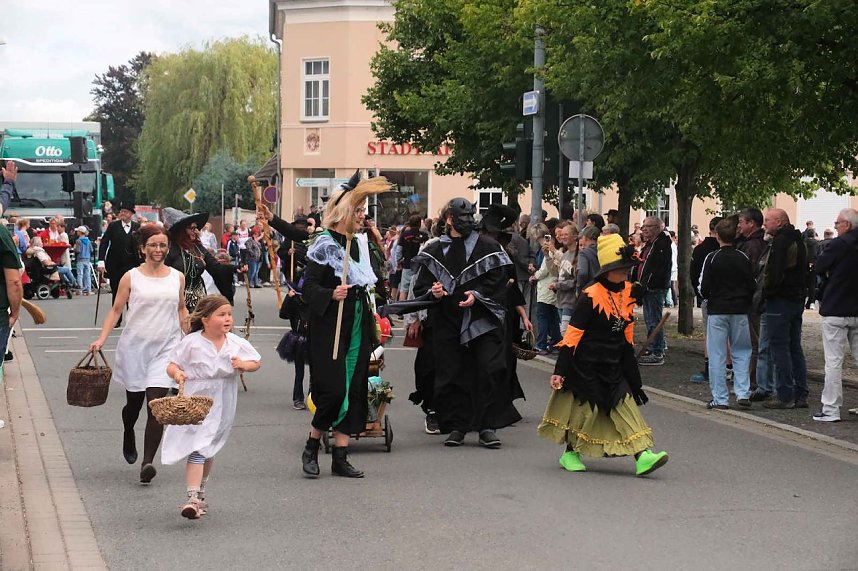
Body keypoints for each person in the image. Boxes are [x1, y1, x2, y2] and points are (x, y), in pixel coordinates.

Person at [537, 234, 669, 476]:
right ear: (607, 270)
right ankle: (570, 453)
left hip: (614, 363)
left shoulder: (629, 292)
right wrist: (560, 371)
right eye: (620, 268)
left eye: (627, 268)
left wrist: (631, 371)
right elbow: (573, 335)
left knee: (626, 406)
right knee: (584, 413)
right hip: (585, 365)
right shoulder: (590, 295)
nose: (625, 272)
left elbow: (626, 333)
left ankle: (643, 455)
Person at [410, 198, 513, 448]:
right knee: (452, 373)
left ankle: (487, 426)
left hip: (481, 319)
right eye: (462, 217)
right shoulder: (435, 249)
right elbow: (421, 286)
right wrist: (433, 291)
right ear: (449, 219)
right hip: (447, 320)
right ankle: (457, 425)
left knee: (488, 368)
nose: (467, 221)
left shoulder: (488, 246)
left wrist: (477, 295)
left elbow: (499, 281)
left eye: (470, 217)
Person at [89, 224, 188, 483]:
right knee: (133, 405)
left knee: (157, 406)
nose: (158, 249)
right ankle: (128, 429)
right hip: (135, 349)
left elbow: (181, 309)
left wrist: (190, 337)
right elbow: (116, 310)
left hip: (166, 349)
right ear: (142, 248)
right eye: (153, 245)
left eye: (163, 245)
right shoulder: (131, 277)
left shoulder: (177, 277)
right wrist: (101, 339)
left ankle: (147, 463)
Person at [300, 176, 382, 478]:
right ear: (343, 211)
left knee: (354, 387)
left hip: (357, 322)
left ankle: (340, 456)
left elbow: (371, 283)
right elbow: (308, 288)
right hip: (330, 326)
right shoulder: (324, 242)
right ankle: (311, 446)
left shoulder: (359, 243)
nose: (362, 216)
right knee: (334, 391)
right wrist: (331, 294)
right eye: (357, 210)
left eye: (363, 210)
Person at [161, 295, 261, 519]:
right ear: (205, 319)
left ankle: (200, 491)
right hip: (197, 399)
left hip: (223, 400)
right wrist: (177, 374)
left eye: (229, 315)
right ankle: (192, 498)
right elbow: (172, 364)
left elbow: (256, 361)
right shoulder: (192, 342)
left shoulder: (234, 342)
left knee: (209, 446)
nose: (227, 319)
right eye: (221, 315)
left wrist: (243, 365)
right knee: (199, 446)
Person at [699, 219, 756, 409]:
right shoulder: (742, 257)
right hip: (739, 309)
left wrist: (709, 297)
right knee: (742, 351)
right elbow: (752, 283)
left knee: (717, 354)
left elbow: (703, 286)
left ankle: (720, 398)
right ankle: (743, 392)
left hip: (717, 310)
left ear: (717, 235)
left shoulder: (712, 257)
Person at [811, 208, 858, 422]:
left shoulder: (839, 244)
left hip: (836, 307)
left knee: (833, 362)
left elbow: (819, 266)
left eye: (838, 223)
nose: (836, 226)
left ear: (847, 225)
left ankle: (831, 409)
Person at [760, 208, 808, 409]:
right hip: (796, 298)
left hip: (781, 300)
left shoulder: (781, 242)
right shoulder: (799, 240)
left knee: (779, 347)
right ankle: (800, 392)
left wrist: (768, 292)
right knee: (794, 346)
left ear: (779, 222)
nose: (764, 224)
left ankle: (785, 394)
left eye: (767, 220)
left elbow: (775, 272)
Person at [164, 210, 241, 311]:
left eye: (196, 228)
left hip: (197, 301)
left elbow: (215, 267)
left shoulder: (197, 248)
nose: (196, 231)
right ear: (181, 230)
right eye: (192, 228)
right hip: (174, 299)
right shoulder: (170, 249)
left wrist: (235, 268)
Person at [737, 208, 767, 389]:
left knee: (754, 341)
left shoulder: (752, 246)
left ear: (751, 223)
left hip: (752, 300)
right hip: (754, 298)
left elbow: (749, 273)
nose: (739, 226)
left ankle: (751, 380)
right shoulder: (757, 243)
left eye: (741, 222)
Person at [636, 216, 672, 366]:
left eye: (648, 226)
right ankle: (653, 347)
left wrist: (649, 283)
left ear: (657, 228)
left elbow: (657, 268)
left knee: (654, 320)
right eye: (643, 226)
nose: (644, 229)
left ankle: (657, 351)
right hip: (647, 287)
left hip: (654, 288)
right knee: (649, 320)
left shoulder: (661, 245)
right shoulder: (649, 244)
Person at [97, 202, 141, 317]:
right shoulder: (113, 226)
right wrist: (101, 260)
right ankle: (116, 318)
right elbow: (104, 242)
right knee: (116, 292)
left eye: (125, 212)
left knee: (132, 293)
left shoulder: (136, 227)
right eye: (121, 211)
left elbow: (141, 245)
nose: (122, 213)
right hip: (115, 264)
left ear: (131, 214)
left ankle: (131, 317)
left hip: (132, 265)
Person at [530, 231, 560, 355]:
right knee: (553, 318)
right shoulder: (555, 252)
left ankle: (541, 344)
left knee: (542, 317)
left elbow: (544, 270)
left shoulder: (550, 252)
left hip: (546, 288)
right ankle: (556, 342)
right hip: (552, 288)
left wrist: (534, 276)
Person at [549, 222, 578, 331]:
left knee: (566, 332)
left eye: (566, 234)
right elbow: (561, 274)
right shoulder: (565, 254)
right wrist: (555, 283)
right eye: (562, 235)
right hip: (560, 300)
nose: (562, 237)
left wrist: (558, 285)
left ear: (574, 236)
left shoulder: (579, 255)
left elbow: (575, 280)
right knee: (563, 332)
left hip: (570, 300)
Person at [576, 226, 601, 296]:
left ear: (585, 238)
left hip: (589, 290)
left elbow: (582, 273)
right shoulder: (603, 251)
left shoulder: (584, 253)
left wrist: (579, 289)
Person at [73, 226, 93, 295]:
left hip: (80, 259)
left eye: (78, 231)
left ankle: (80, 290)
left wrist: (74, 248)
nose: (77, 232)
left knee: (80, 274)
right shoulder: (88, 241)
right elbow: (91, 250)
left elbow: (78, 250)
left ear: (80, 232)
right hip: (87, 259)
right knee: (87, 275)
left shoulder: (78, 241)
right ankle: (88, 290)